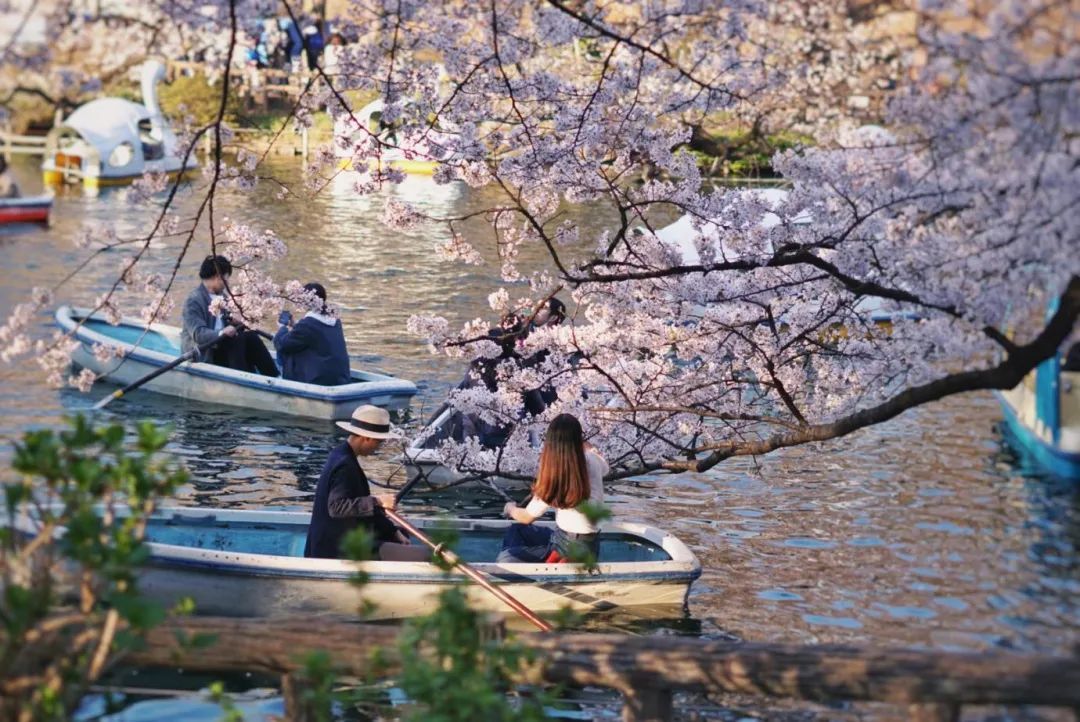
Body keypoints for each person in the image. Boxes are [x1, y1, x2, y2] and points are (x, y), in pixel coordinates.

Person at [304, 405, 430, 561]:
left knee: (399, 534)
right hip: (336, 548)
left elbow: (362, 507)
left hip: (344, 539)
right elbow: (337, 507)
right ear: (366, 438)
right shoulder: (344, 465)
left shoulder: (341, 455)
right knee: (426, 557)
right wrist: (378, 501)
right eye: (378, 442)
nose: (378, 448)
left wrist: (393, 531)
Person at [496, 414, 608, 564]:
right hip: (586, 543)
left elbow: (527, 517)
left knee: (506, 558)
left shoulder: (554, 475)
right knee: (517, 530)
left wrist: (510, 509)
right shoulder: (593, 460)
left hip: (567, 547)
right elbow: (606, 468)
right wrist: (588, 446)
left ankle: (546, 567)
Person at [181, 255, 279, 376]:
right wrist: (221, 333)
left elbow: (228, 325)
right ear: (218, 277)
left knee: (251, 337)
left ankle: (274, 376)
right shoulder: (193, 301)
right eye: (226, 279)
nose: (227, 283)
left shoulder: (223, 297)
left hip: (223, 347)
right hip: (206, 353)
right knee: (236, 340)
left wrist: (236, 322)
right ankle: (241, 377)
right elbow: (198, 334)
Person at [273, 282, 351, 385]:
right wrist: (294, 325)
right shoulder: (335, 320)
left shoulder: (307, 324)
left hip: (318, 380)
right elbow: (315, 336)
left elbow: (283, 344)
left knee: (284, 350)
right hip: (340, 377)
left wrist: (282, 327)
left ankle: (282, 380)